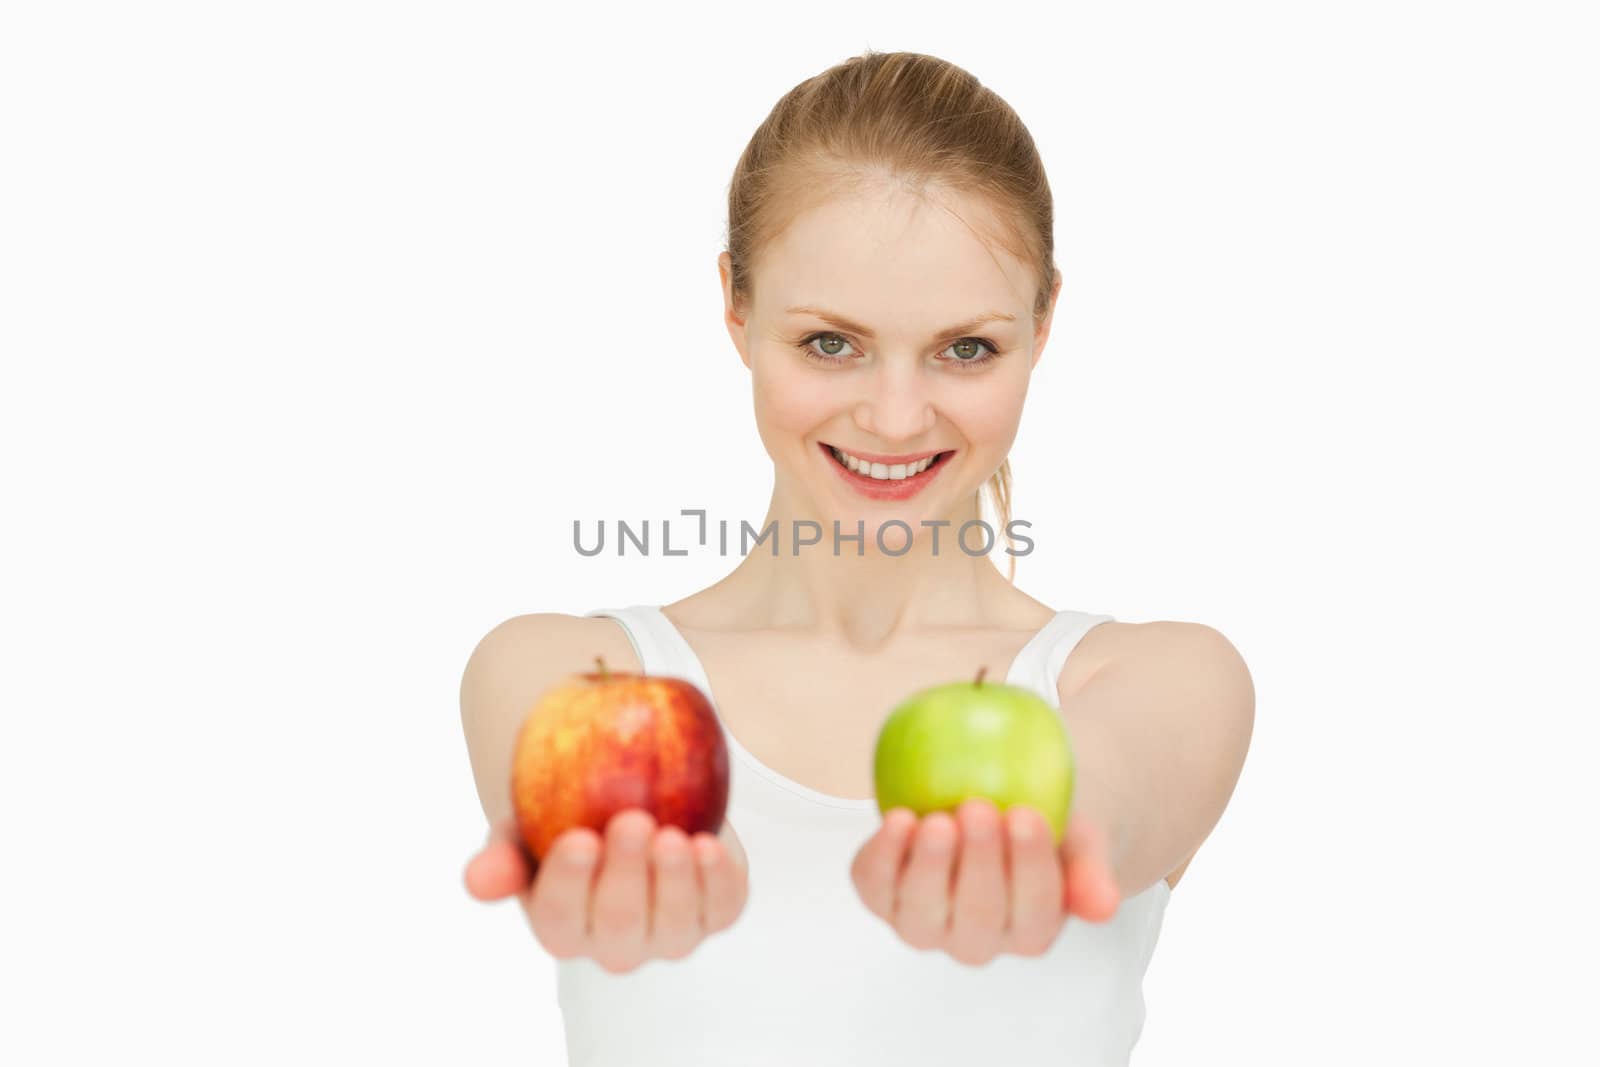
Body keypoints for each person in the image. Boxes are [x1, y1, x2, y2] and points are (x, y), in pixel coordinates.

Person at [458, 49, 1253, 1067]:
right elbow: (604, 803)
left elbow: (1110, 791)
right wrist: (656, 849)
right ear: (736, 309)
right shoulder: (573, 668)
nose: (893, 416)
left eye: (966, 348)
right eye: (831, 342)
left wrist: (1037, 841)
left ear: (1043, 323)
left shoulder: (1159, 679)